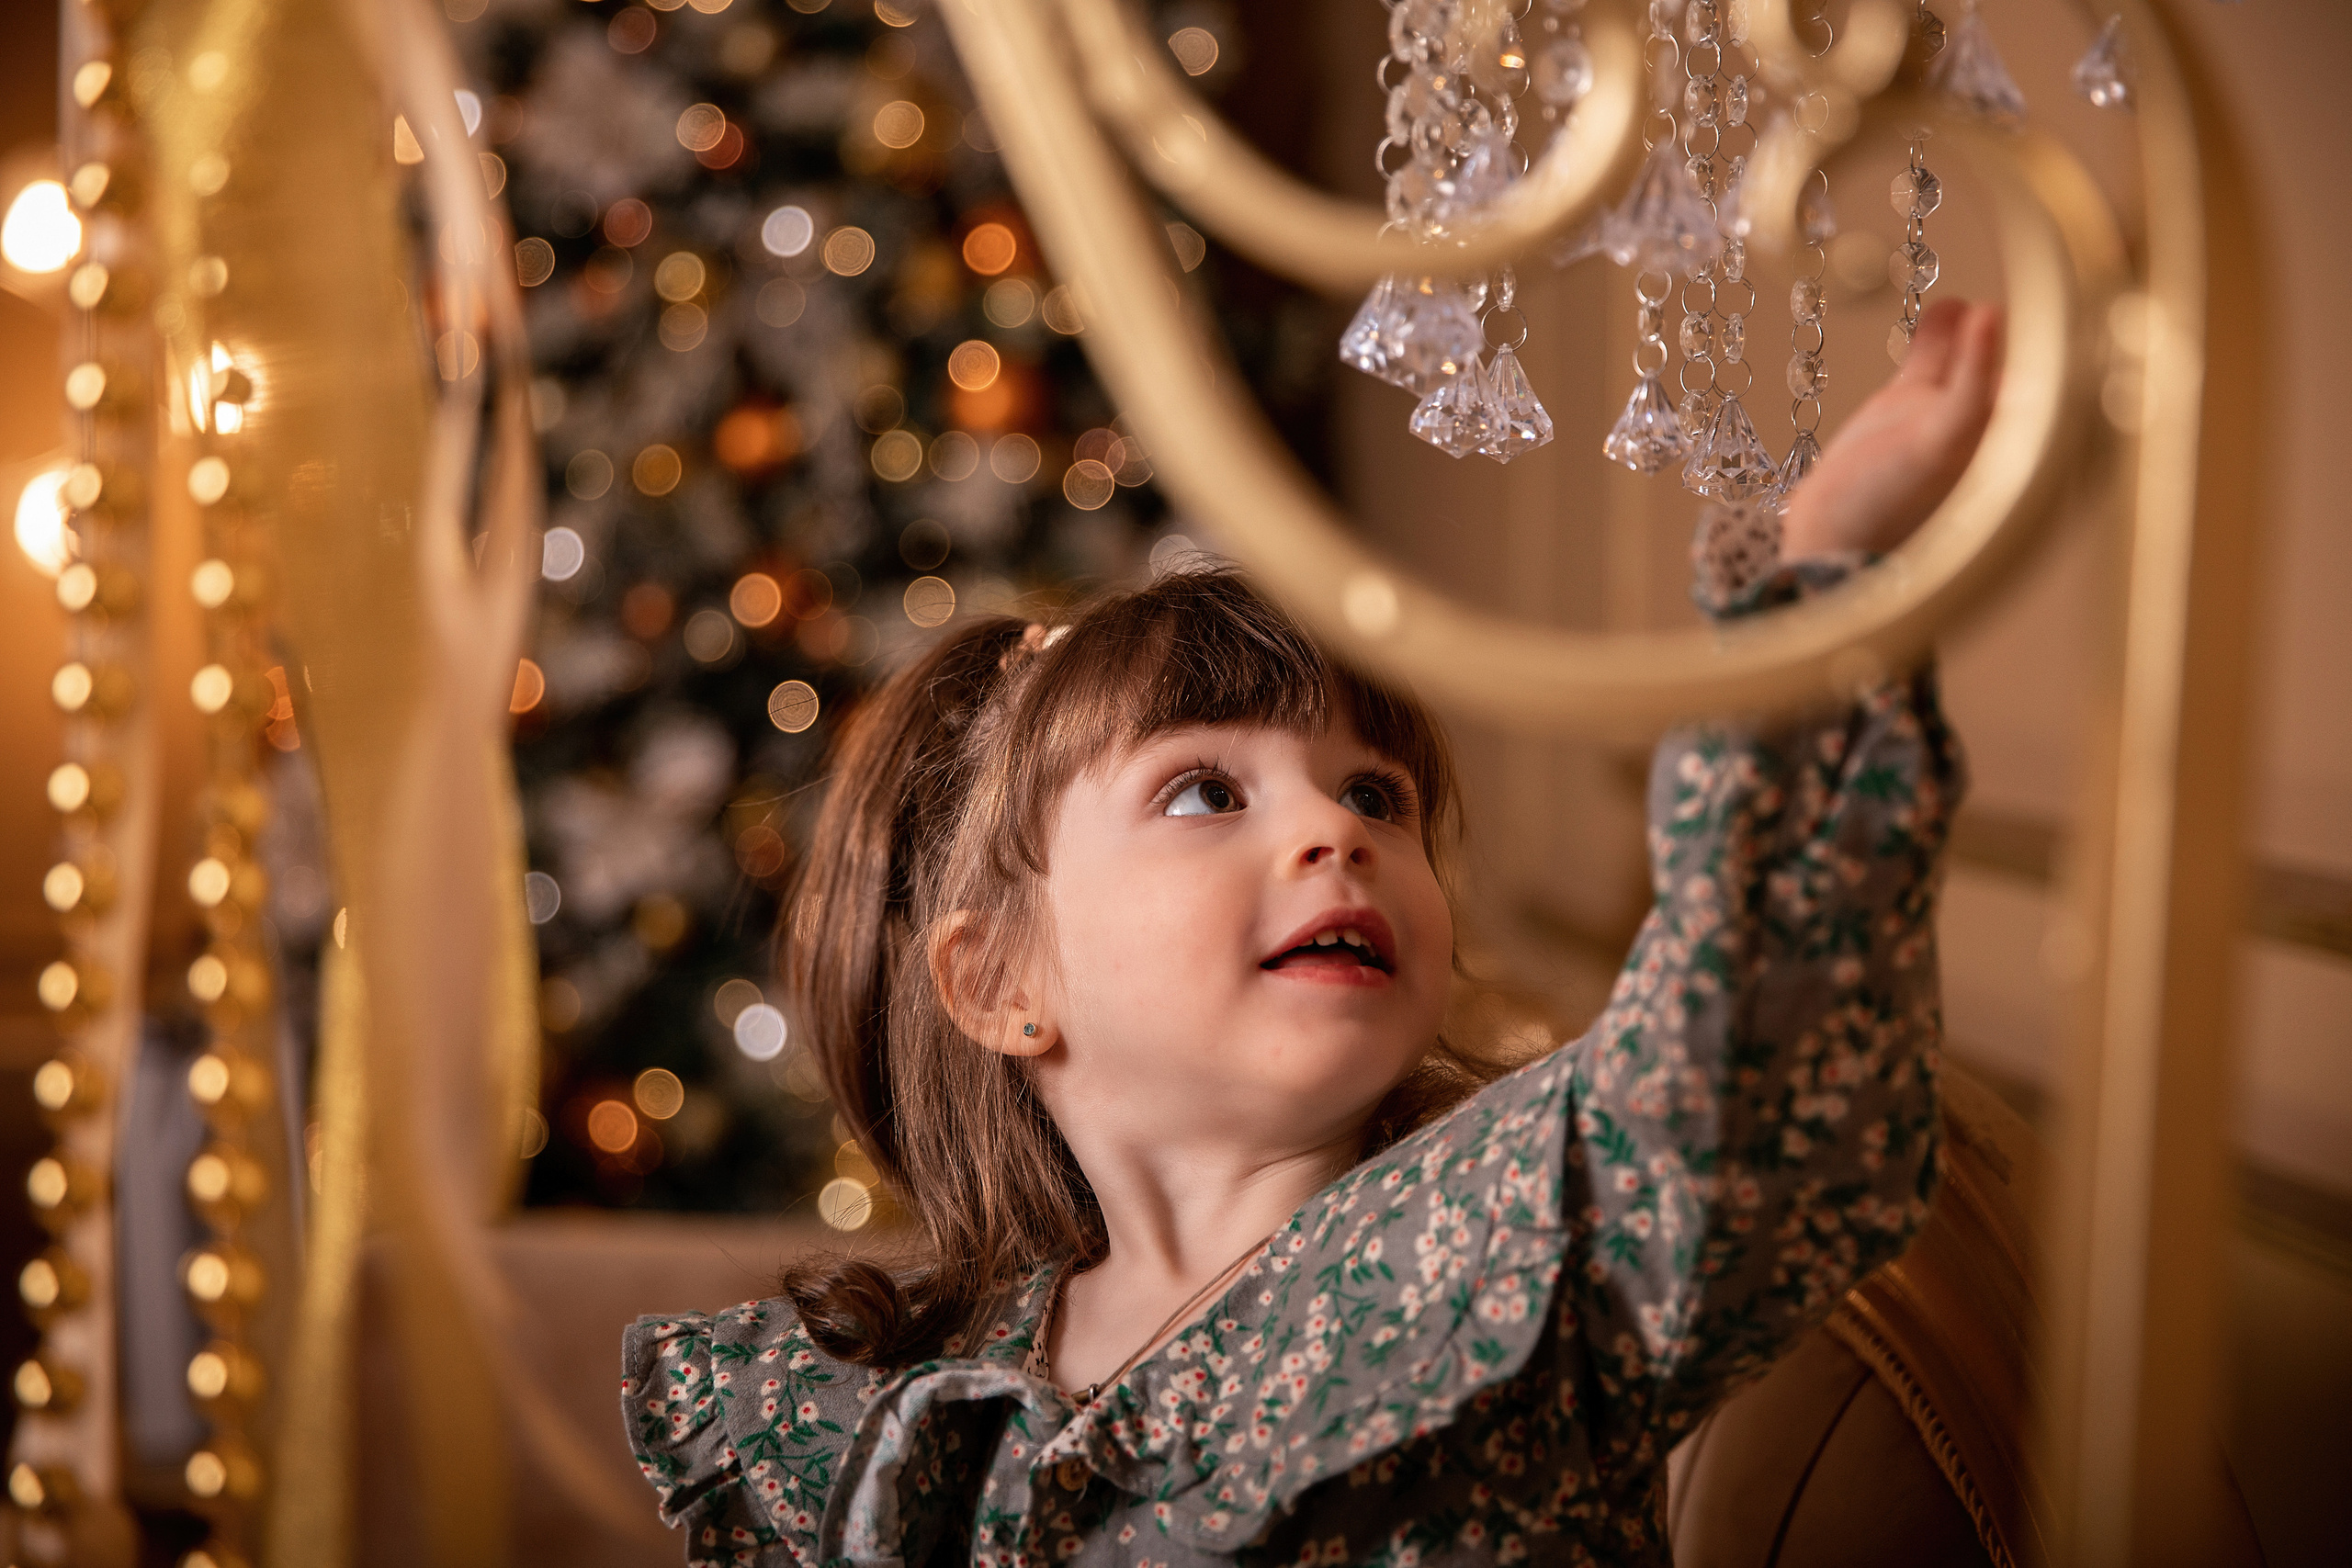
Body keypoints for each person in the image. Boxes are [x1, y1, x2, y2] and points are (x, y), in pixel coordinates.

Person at [621, 299, 2004, 1567]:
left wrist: (1821, 596)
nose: (1334, 833)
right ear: (999, 979)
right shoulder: (904, 1411)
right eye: (1206, 792)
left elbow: (1747, 1084)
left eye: (1375, 795)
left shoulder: (1507, 1236)